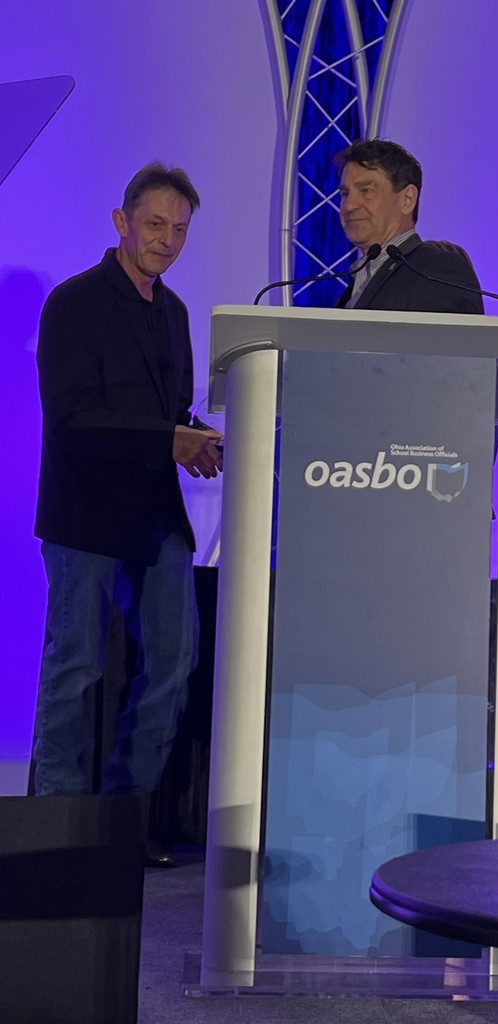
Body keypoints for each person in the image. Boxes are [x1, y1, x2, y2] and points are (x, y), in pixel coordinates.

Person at [33, 163, 221, 857]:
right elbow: (74, 419)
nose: (167, 241)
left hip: (155, 514)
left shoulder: (173, 312)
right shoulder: (73, 302)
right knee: (74, 668)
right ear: (121, 221)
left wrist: (196, 438)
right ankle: (51, 828)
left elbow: (168, 412)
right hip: (84, 515)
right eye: (155, 225)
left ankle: (121, 821)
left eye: (179, 230)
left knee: (174, 662)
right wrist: (168, 438)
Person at [335, 138, 483, 313]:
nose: (349, 205)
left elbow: (453, 339)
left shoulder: (436, 269)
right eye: (345, 193)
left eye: (366, 191)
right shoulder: (358, 279)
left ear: (407, 199)